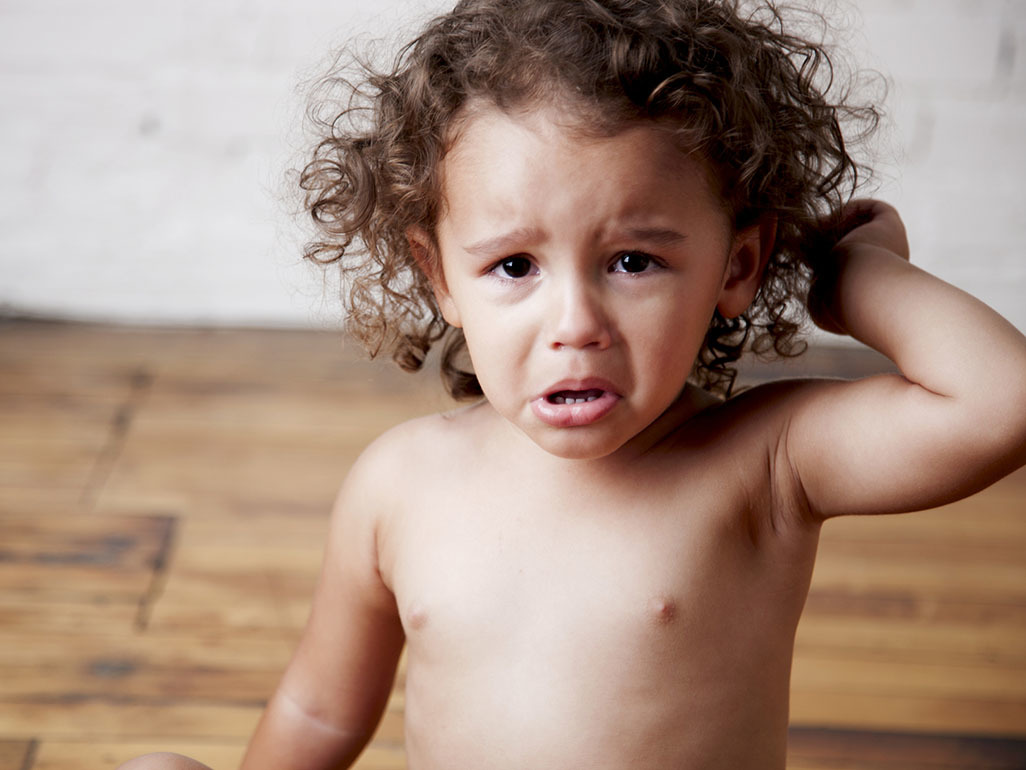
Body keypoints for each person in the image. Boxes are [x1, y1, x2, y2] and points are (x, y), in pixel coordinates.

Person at [118, 1, 1026, 768]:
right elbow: (320, 712)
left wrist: (847, 273)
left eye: (633, 260)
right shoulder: (398, 484)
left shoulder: (765, 465)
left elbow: (1001, 402)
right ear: (440, 277)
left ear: (738, 264)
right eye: (514, 265)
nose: (575, 322)